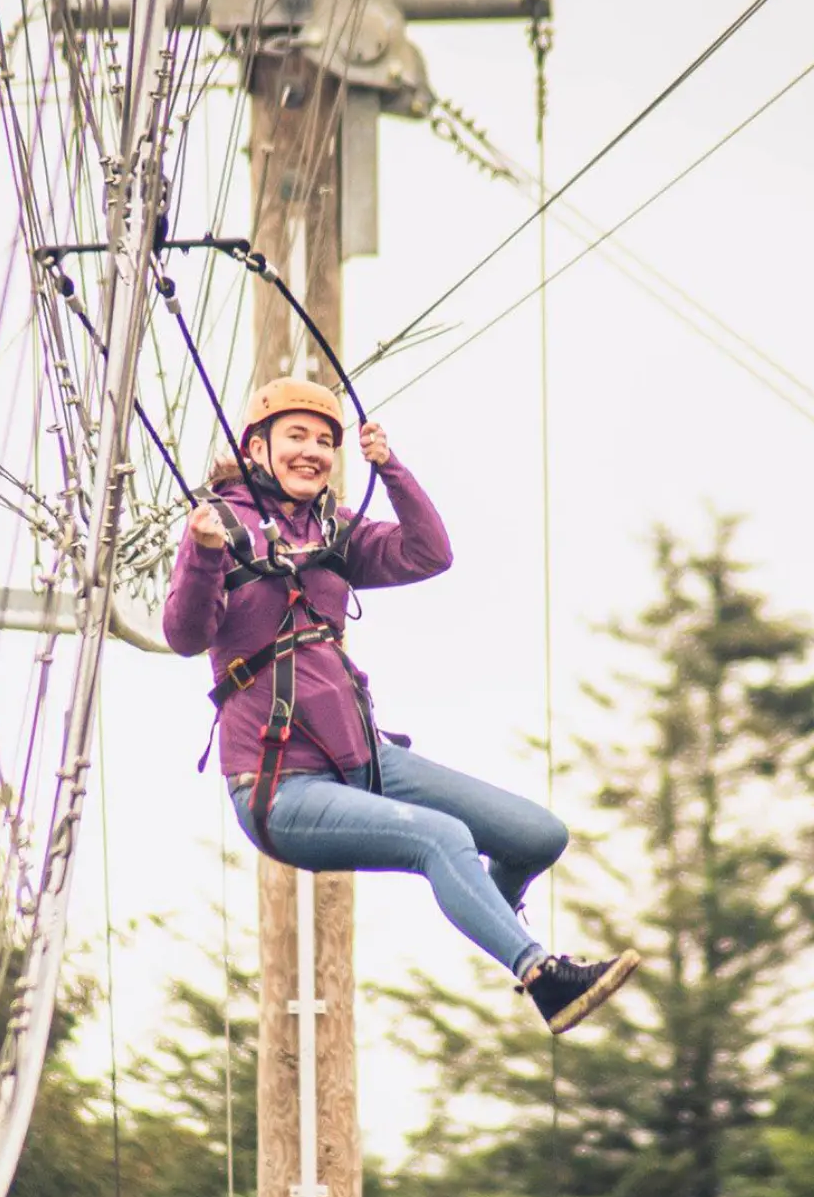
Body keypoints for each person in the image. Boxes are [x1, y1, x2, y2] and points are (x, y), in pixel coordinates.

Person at [163, 377, 639, 1034]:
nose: (314, 452)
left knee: (538, 836)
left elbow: (429, 553)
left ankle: (490, 914)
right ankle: (541, 976)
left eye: (326, 442)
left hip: (367, 759)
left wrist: (390, 467)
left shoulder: (331, 529)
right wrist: (202, 553)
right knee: (443, 838)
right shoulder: (223, 529)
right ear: (257, 448)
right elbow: (185, 637)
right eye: (296, 437)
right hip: (280, 789)